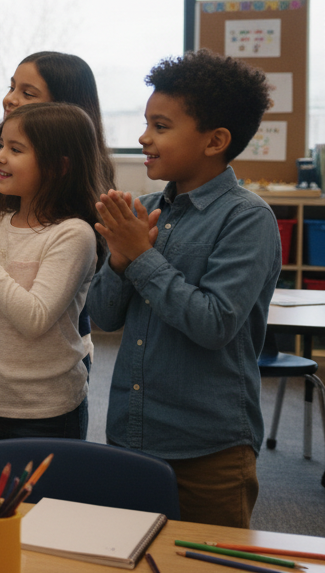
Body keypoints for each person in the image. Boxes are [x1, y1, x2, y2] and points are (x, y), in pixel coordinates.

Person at [87, 50, 279, 528]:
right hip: (130, 435)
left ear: (215, 141)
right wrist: (118, 257)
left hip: (208, 448)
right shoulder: (147, 208)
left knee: (207, 562)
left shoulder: (247, 218)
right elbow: (104, 317)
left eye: (161, 126)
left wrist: (142, 255)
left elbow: (213, 324)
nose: (143, 137)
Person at [0, 102, 106, 452]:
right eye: (1, 146)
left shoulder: (73, 234)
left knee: (43, 506)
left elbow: (34, 318)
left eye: (15, 149)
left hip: (48, 410)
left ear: (60, 167)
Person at [0, 52, 116, 364]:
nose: (10, 99)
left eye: (27, 93)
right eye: (12, 87)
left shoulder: (87, 188)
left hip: (60, 346)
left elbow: (84, 273)